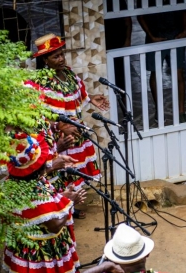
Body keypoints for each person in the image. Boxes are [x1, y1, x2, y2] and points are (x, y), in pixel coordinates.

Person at [26, 33, 110, 218]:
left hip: (76, 137)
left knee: (74, 173)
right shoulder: (40, 83)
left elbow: (77, 96)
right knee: (60, 175)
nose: (61, 58)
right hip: (59, 140)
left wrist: (90, 99)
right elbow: (37, 114)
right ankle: (61, 211)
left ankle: (70, 206)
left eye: (62, 54)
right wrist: (58, 127)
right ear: (44, 60)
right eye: (55, 56)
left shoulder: (69, 74)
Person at [3, 133, 83, 273]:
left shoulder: (14, 183)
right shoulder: (38, 195)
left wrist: (62, 198)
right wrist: (70, 203)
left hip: (25, 244)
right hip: (43, 250)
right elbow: (54, 225)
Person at [137, 3, 186, 123]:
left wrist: (185, 30)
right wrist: (150, 35)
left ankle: (181, 111)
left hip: (176, 35)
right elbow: (140, 15)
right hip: (155, 36)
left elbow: (184, 9)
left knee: (179, 73)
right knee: (155, 74)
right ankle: (159, 110)